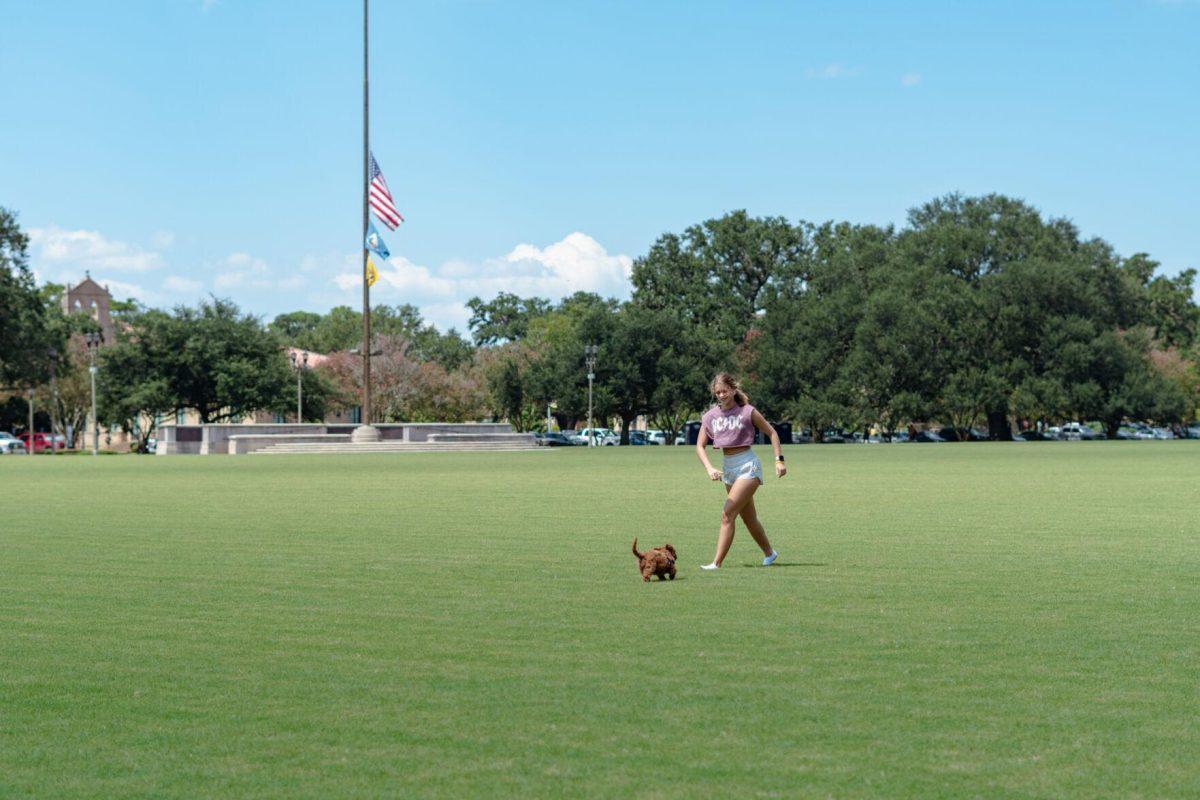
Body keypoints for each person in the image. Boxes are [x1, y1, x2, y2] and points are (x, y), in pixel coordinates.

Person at [695, 372, 785, 570]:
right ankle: (770, 553)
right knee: (748, 518)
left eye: (724, 391)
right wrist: (709, 468)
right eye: (717, 392)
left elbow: (772, 432)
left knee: (727, 514)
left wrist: (779, 460)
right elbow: (699, 446)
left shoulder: (747, 411)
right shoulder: (711, 416)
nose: (721, 395)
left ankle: (716, 563)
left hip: (748, 465)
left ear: (733, 390)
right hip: (729, 469)